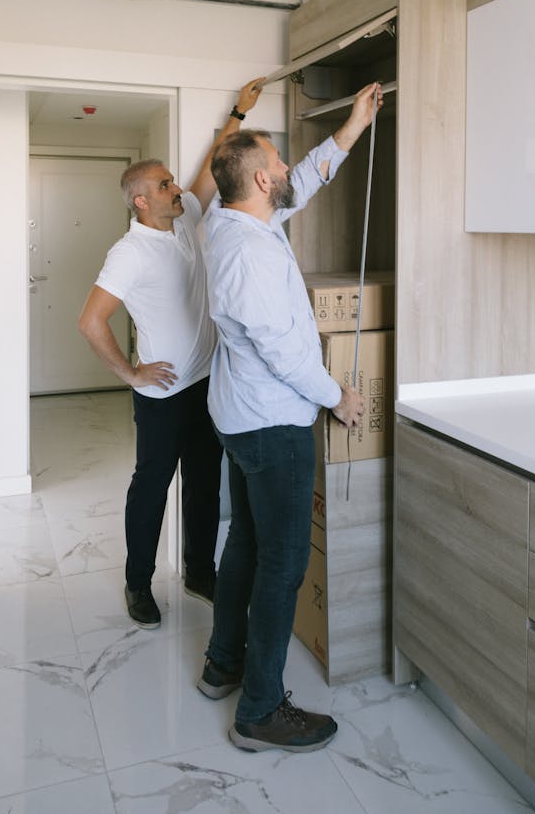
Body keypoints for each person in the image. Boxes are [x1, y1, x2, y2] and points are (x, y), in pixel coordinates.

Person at [196, 82, 381, 752]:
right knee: (282, 562)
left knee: (246, 539)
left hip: (241, 419)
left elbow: (302, 181)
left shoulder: (233, 215)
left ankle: (223, 664)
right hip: (272, 425)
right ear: (259, 179)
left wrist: (354, 125)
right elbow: (279, 350)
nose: (285, 165)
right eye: (277, 160)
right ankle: (260, 710)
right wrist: (340, 395)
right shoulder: (246, 249)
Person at [78, 77, 264, 629]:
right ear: (141, 199)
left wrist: (237, 112)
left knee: (206, 483)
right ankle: (139, 583)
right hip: (162, 394)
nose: (174, 188)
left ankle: (199, 573)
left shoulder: (184, 221)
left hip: (207, 382)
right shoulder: (128, 253)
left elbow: (208, 170)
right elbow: (90, 321)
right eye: (163, 184)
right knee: (152, 488)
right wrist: (131, 372)